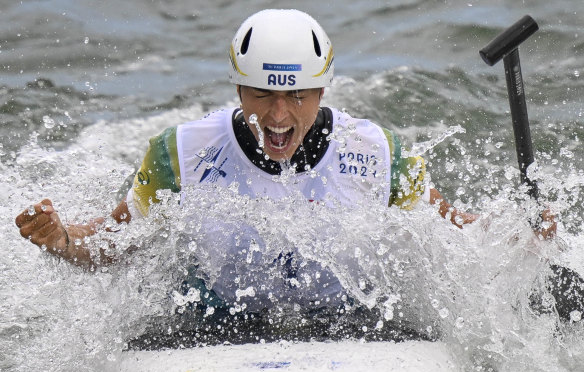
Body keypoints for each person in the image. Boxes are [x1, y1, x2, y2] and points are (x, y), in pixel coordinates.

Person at [16, 10, 562, 333]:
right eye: (262, 95)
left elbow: (454, 235)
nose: (278, 117)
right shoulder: (179, 154)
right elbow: (117, 245)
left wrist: (518, 235)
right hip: (212, 327)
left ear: (323, 90)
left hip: (350, 327)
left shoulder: (378, 154)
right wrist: (61, 239)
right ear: (237, 88)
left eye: (296, 96)